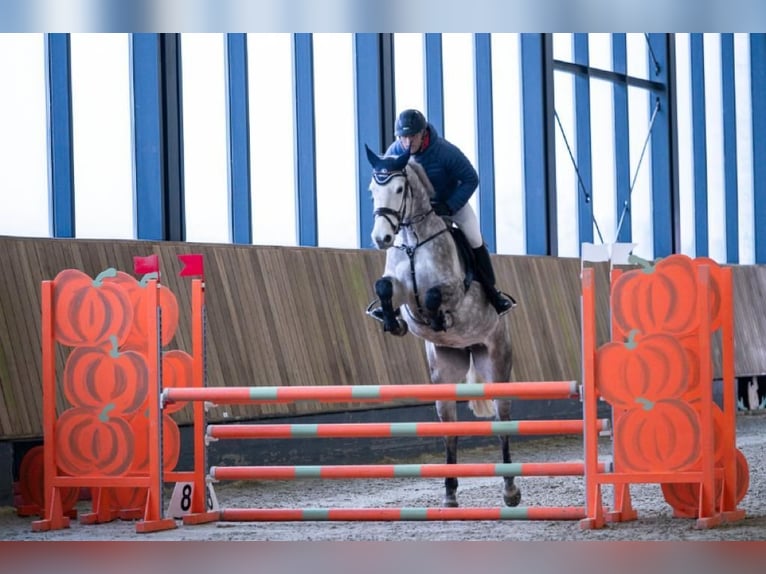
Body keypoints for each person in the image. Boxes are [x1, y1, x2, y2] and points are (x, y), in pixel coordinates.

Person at [386, 108, 515, 315]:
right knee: (400, 243)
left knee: (474, 238)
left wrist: (450, 205)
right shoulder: (394, 151)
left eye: (412, 137)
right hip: (418, 213)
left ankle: (493, 294)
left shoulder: (445, 152)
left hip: (450, 204)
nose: (407, 143)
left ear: (422, 133)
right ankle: (392, 307)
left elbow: (471, 178)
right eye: (403, 138)